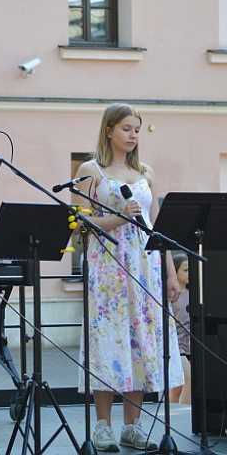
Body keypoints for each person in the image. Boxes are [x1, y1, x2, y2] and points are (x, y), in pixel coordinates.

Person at [74, 103, 183, 451]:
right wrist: (120, 217)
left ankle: (131, 426)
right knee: (108, 341)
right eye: (126, 128)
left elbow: (157, 229)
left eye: (137, 129)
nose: (133, 135)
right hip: (108, 270)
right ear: (108, 130)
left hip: (145, 268)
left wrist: (170, 275)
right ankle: (102, 426)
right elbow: (80, 225)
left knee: (140, 343)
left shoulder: (146, 173)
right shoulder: (90, 170)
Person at [169, 251, 191, 405]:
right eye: (185, 270)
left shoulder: (195, 293)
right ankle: (185, 413)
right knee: (188, 380)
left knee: (177, 388)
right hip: (176, 345)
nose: (189, 273)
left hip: (191, 345)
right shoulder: (170, 295)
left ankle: (173, 408)